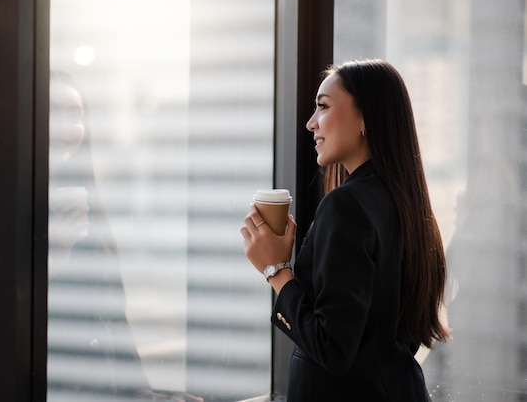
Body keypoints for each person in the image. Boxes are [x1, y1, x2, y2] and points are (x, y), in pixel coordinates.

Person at [240, 58, 450, 401]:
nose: (310, 124)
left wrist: (276, 270)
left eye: (323, 107)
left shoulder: (347, 205)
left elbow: (331, 349)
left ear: (366, 116)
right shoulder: (404, 203)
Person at [48, 72, 202, 402]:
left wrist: (147, 396)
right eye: (52, 111)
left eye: (75, 114)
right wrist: (56, 255)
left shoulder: (85, 206)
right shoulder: (10, 215)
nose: (65, 127)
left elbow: (113, 323)